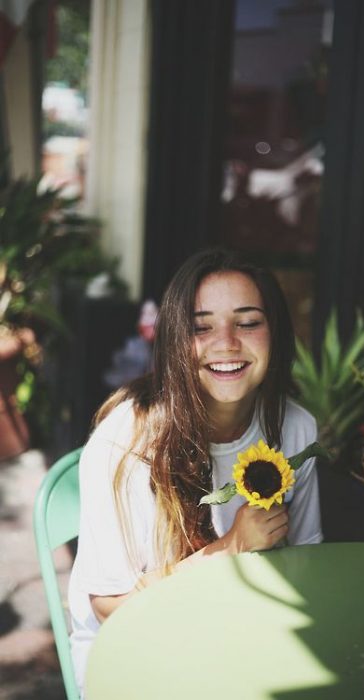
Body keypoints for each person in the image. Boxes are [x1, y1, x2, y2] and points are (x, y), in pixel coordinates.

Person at [68, 248, 322, 695]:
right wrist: (232, 547)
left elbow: (309, 564)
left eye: (247, 322)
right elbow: (112, 607)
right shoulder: (124, 441)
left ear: (275, 332)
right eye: (201, 326)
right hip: (135, 652)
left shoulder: (295, 427)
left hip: (243, 636)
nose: (226, 342)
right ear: (172, 341)